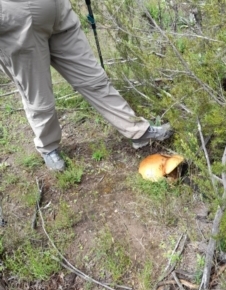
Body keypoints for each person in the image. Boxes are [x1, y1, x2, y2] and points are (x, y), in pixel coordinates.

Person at [0, 0, 172, 171]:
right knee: (38, 96)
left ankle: (138, 131)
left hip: (58, 10)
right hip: (16, 21)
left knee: (94, 79)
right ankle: (48, 146)